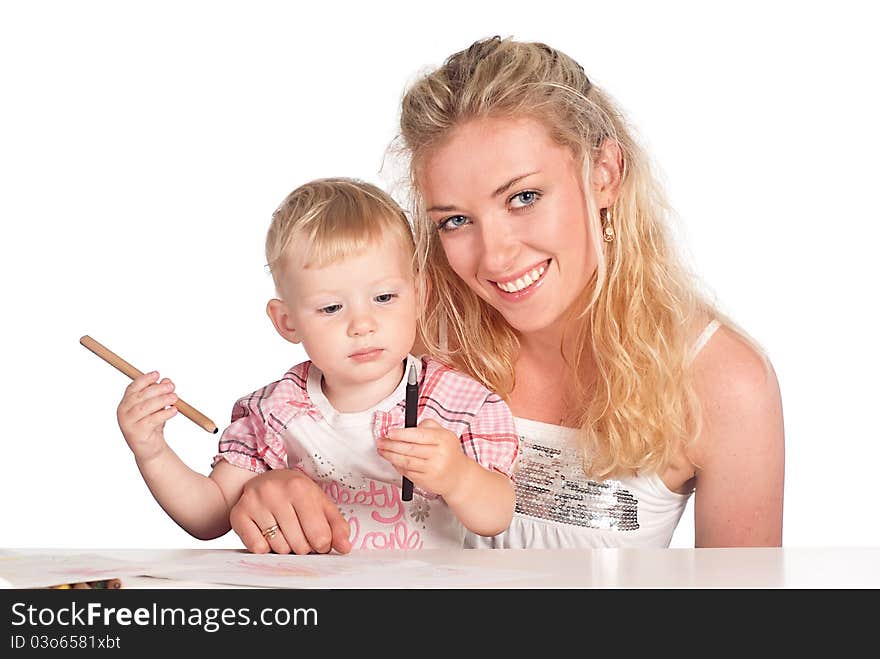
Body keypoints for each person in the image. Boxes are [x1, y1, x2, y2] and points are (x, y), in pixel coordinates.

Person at [229, 37, 784, 553]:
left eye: (523, 197)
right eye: (455, 221)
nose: (494, 257)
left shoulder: (722, 381)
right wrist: (263, 491)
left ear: (605, 175)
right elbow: (290, 442)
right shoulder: (404, 333)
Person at [116, 177, 519, 552]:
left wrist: (458, 476)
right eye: (330, 307)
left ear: (419, 294)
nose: (362, 325)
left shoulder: (457, 402)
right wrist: (152, 451)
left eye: (383, 298)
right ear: (287, 322)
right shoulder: (276, 411)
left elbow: (495, 517)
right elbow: (209, 515)